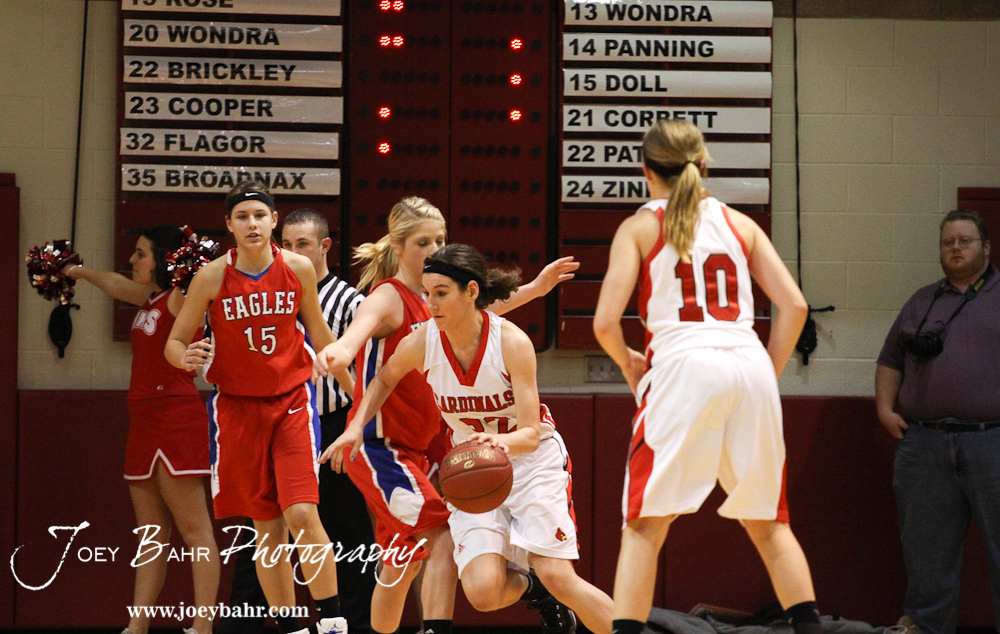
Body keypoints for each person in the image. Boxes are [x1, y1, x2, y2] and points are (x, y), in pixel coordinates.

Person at [591, 119, 821, 634]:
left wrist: (628, 362)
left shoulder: (640, 227)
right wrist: (766, 372)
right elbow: (795, 307)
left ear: (646, 171)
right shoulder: (741, 224)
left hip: (683, 365)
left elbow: (604, 323)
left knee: (644, 527)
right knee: (770, 525)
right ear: (703, 165)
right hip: (747, 361)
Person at [312, 196, 579, 634]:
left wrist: (534, 289)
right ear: (398, 247)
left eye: (440, 239)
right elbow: (358, 333)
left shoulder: (437, 299)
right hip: (383, 448)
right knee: (442, 536)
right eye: (423, 242)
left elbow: (484, 310)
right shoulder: (389, 296)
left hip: (422, 447)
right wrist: (339, 352)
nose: (435, 249)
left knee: (401, 561)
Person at [164, 181, 347, 634]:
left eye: (260, 215)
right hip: (238, 410)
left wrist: (358, 397)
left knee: (301, 512)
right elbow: (175, 341)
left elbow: (321, 334)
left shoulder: (298, 268)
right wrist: (183, 357)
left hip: (291, 403)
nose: (252, 223)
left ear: (274, 221)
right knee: (267, 528)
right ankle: (292, 627)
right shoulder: (211, 277)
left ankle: (332, 621)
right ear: (229, 225)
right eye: (242, 216)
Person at [216, 208, 375, 634]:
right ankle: (257, 626)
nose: (291, 251)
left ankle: (348, 624)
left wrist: (362, 415)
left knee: (342, 534)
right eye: (286, 243)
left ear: (324, 247)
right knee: (263, 532)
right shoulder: (249, 284)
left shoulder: (350, 301)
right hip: (268, 420)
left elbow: (359, 362)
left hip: (331, 423)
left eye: (301, 244)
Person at [63, 226, 219, 634]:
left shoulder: (181, 297)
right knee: (150, 535)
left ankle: (203, 627)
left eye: (140, 254)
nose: (132, 261)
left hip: (176, 415)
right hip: (143, 419)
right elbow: (116, 285)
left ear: (164, 259)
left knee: (195, 529)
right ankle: (137, 626)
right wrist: (77, 272)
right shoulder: (150, 297)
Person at [875, 209, 1000, 634]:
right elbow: (891, 359)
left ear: (986, 247)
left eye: (965, 240)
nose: (956, 248)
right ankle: (927, 627)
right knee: (926, 552)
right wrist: (884, 409)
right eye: (948, 242)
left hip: (992, 441)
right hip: (924, 444)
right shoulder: (921, 301)